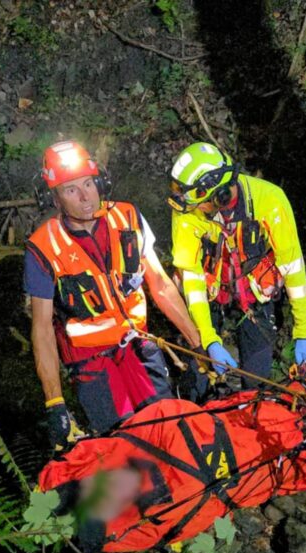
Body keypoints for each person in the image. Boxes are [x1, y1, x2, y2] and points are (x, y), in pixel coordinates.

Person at [24, 140, 205, 452]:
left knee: (169, 431)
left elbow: (160, 285)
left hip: (138, 345)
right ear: (52, 197)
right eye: (71, 190)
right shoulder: (42, 248)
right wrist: (54, 402)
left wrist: (198, 348)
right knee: (127, 446)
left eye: (89, 184)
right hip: (91, 364)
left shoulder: (128, 218)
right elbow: (41, 329)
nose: (85, 197)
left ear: (100, 181)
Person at [168, 142, 306, 387]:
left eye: (200, 203)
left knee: (256, 380)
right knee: (197, 376)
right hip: (209, 294)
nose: (195, 209)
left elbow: (293, 268)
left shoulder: (269, 200)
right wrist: (208, 339)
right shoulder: (188, 212)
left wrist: (304, 331)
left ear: (221, 194)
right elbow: (192, 278)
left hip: (255, 296)